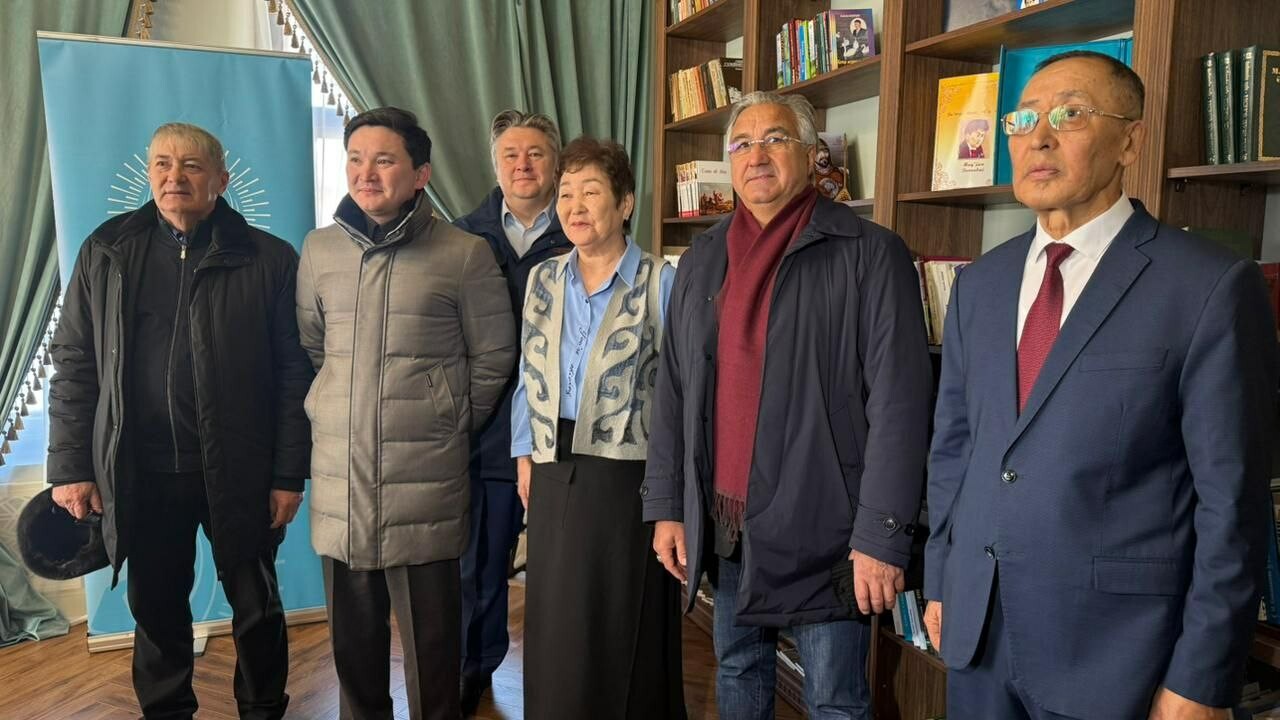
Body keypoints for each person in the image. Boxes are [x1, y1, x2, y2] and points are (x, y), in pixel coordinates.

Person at [924, 51, 1278, 720]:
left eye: (1071, 115)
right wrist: (943, 577)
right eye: (1023, 119)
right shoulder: (981, 284)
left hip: (1118, 654)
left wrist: (1202, 676)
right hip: (978, 634)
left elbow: (1231, 503)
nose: (1039, 137)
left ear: (1129, 142)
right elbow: (956, 449)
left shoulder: (1207, 285)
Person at [645, 91, 932, 719]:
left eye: (774, 139)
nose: (757, 156)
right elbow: (675, 389)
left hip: (826, 529)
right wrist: (668, 506)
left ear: (811, 155)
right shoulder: (702, 259)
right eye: (742, 144)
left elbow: (902, 406)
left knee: (835, 701)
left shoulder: (870, 252)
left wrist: (882, 536)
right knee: (738, 672)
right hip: (727, 521)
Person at [48, 122, 312, 720]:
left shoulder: (270, 259)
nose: (175, 177)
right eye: (162, 164)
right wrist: (70, 467)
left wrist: (288, 475)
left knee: (257, 607)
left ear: (220, 179)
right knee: (156, 608)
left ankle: (263, 709)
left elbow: (294, 375)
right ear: (149, 174)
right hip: (141, 472)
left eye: (192, 165)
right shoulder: (106, 251)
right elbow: (74, 363)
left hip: (241, 470)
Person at [296, 107, 516, 720]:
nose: (366, 173)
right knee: (353, 653)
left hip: (425, 485)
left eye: (384, 160)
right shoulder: (318, 250)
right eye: (356, 159)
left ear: (420, 174)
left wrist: (446, 420)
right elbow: (313, 345)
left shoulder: (464, 254)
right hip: (342, 485)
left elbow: (495, 355)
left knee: (433, 652)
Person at [512, 136, 686, 720]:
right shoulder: (543, 279)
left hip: (629, 476)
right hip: (551, 465)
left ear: (625, 202)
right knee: (556, 621)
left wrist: (670, 494)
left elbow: (681, 392)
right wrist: (524, 454)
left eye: (591, 192)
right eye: (566, 194)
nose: (575, 206)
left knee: (619, 622)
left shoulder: (661, 281)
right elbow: (527, 370)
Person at [451, 109, 570, 713]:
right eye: (510, 155)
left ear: (556, 164)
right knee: (478, 565)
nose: (523, 165)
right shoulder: (460, 237)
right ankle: (473, 667)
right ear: (494, 165)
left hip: (564, 436)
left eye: (536, 154)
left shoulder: (584, 231)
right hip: (484, 433)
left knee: (564, 572)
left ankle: (565, 681)